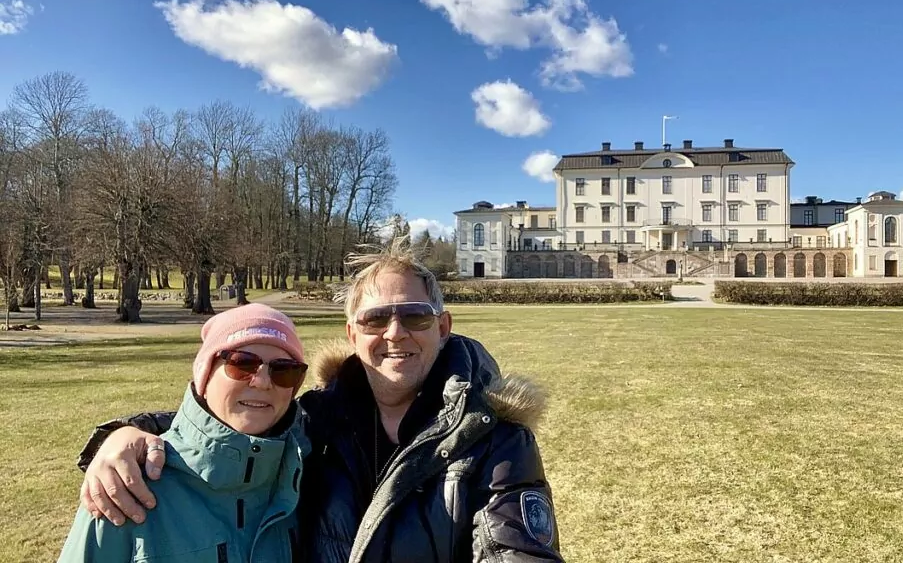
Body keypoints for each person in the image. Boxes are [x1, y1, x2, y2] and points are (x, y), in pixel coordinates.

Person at [76, 238, 564, 562]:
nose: (395, 333)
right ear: (352, 334)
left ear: (442, 327)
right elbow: (232, 423)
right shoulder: (317, 422)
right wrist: (125, 434)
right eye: (375, 320)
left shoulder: (497, 441)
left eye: (414, 317)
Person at [58, 303, 311, 562]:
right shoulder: (124, 486)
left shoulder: (307, 476)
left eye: (284, 370)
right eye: (242, 363)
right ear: (205, 374)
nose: (262, 381)